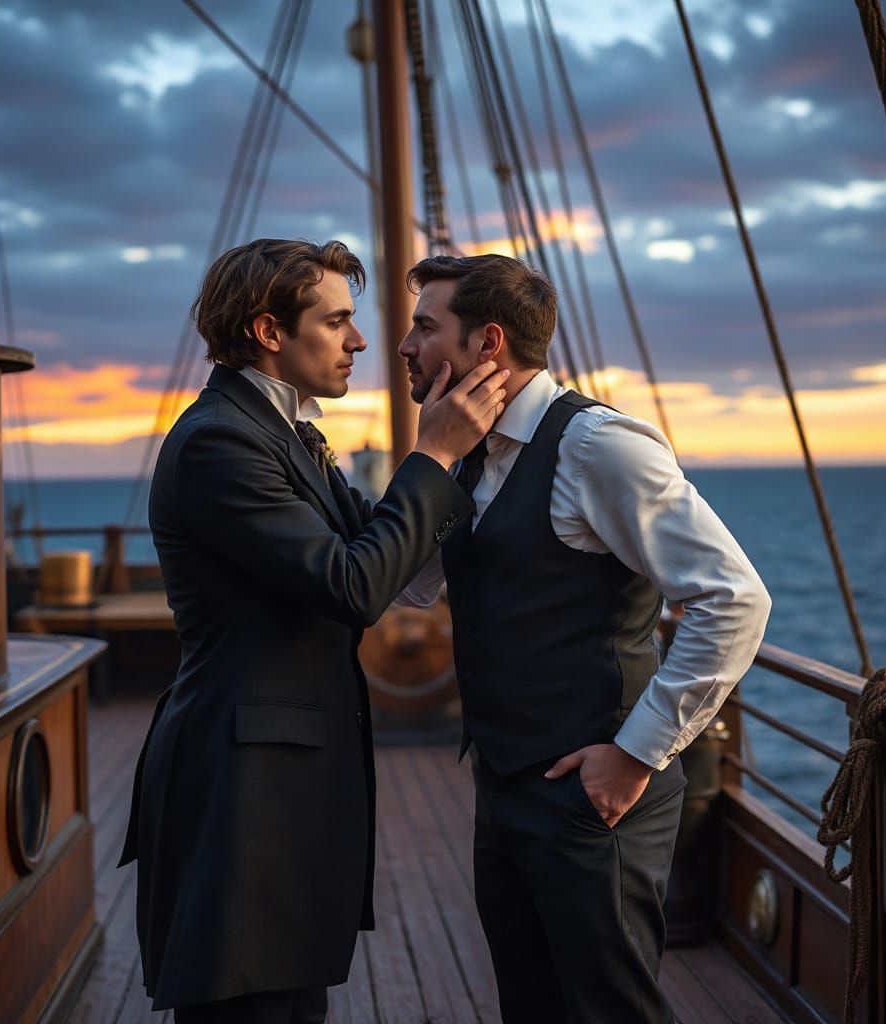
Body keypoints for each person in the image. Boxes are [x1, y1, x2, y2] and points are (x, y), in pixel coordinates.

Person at [119, 238, 507, 1023]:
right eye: (337, 322)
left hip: (276, 781)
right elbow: (356, 586)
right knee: (254, 1006)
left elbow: (385, 550)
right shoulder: (221, 442)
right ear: (269, 332)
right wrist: (433, 452)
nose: (361, 341)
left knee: (289, 1002)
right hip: (243, 790)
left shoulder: (284, 431)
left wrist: (482, 466)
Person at [397, 253, 771, 1024]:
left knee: (610, 1012)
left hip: (592, 797)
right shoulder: (471, 452)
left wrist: (634, 755)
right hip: (503, 784)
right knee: (532, 1008)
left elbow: (733, 599)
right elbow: (412, 581)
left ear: (487, 343)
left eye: (425, 327)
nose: (404, 346)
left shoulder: (597, 444)